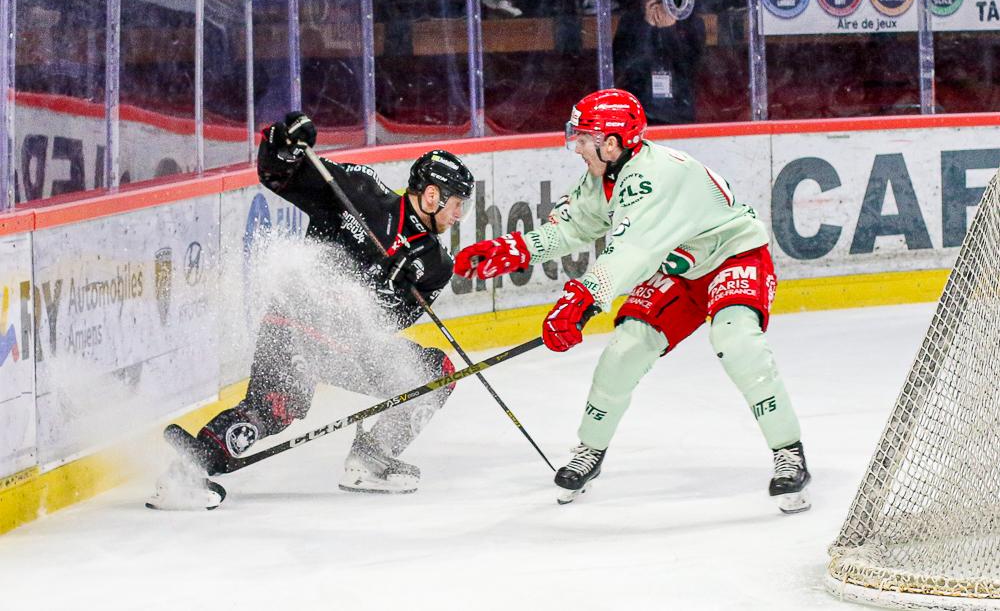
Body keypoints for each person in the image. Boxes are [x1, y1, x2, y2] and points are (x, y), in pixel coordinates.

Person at [453, 89, 811, 513]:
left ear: (613, 142)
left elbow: (632, 252)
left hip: (734, 255)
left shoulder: (653, 176)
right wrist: (514, 249)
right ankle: (590, 449)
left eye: (586, 138)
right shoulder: (604, 176)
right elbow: (573, 227)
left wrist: (579, 301)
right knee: (625, 349)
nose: (577, 147)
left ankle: (789, 453)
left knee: (737, 342)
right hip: (679, 270)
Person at [150, 112, 474, 509]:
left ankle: (371, 458)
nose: (459, 215)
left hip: (348, 346)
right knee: (274, 408)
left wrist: (388, 293)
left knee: (434, 372)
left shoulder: (437, 264)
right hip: (295, 323)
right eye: (456, 204)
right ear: (431, 195)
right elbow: (279, 176)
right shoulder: (361, 190)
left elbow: (395, 321)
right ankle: (187, 474)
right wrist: (281, 142)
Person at [613, 0, 704, 125]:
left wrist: (669, 31)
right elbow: (625, 67)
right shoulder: (630, 21)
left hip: (678, 109)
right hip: (640, 107)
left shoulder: (690, 21)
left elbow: (690, 67)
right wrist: (646, 27)